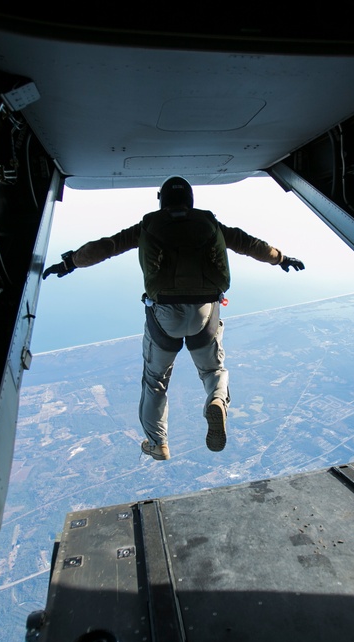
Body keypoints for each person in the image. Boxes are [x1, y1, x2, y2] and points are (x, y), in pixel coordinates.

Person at [42, 176, 305, 461]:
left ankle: (158, 443)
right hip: (205, 312)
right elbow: (250, 244)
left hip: (164, 313)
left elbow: (105, 247)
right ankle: (216, 400)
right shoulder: (210, 223)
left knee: (155, 380)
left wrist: (70, 262)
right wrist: (281, 258)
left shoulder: (148, 225)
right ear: (190, 200)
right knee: (212, 371)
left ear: (162, 200)